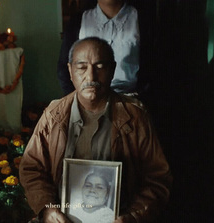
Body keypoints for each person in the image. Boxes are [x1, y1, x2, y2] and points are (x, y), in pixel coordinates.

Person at [20, 37, 171, 223]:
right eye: (82, 67)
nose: (91, 77)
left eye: (100, 67)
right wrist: (47, 208)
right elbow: (31, 168)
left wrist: (133, 216)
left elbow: (157, 178)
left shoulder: (134, 117)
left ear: (113, 70)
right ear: (70, 71)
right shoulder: (53, 116)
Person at [57, 0, 140, 96]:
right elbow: (63, 68)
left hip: (132, 99)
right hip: (87, 99)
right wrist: (78, 100)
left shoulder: (143, 20)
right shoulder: (78, 21)